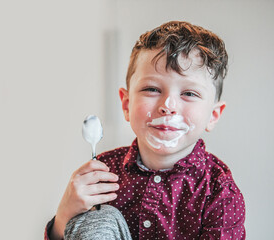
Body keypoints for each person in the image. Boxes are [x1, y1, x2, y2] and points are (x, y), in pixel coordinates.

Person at [45, 21, 246, 240]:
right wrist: (65, 214)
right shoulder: (103, 174)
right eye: (152, 89)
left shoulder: (219, 192)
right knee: (101, 220)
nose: (168, 105)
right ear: (126, 104)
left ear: (213, 115)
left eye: (189, 93)